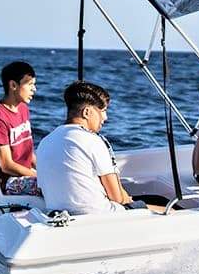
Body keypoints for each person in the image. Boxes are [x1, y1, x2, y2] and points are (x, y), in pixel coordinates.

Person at [37, 80, 162, 215]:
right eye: (103, 110)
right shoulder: (93, 140)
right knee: (169, 210)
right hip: (100, 217)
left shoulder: (45, 142)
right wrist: (129, 199)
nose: (105, 117)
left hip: (61, 216)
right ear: (86, 112)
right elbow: (117, 197)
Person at [0, 61, 39, 195]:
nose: (34, 89)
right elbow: (6, 165)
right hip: (9, 181)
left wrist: (44, 170)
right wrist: (39, 177)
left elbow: (29, 153)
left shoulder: (23, 108)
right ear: (13, 85)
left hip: (26, 174)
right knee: (54, 186)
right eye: (29, 84)